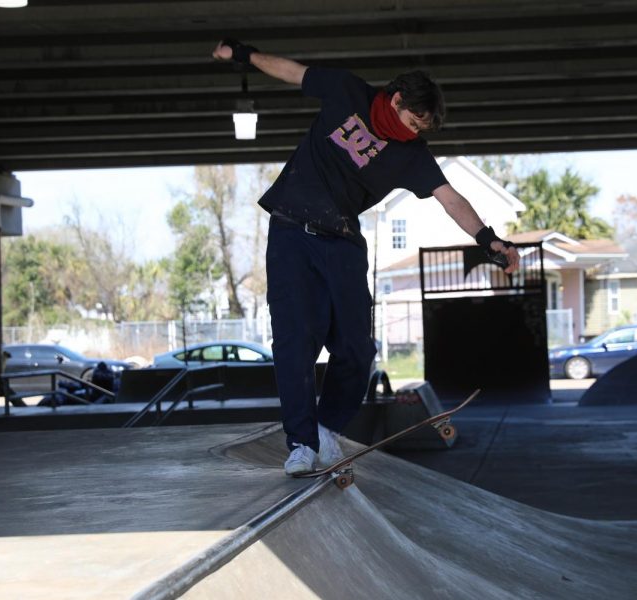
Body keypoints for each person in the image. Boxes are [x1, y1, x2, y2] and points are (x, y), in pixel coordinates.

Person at [212, 39, 520, 475]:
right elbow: (291, 70)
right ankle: (300, 443)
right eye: (414, 122)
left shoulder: (412, 154)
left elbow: (451, 199)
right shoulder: (346, 90)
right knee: (295, 343)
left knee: (358, 349)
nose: (416, 134)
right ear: (396, 101)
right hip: (291, 232)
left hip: (342, 240)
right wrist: (244, 55)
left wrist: (489, 240)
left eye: (422, 130)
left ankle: (326, 429)